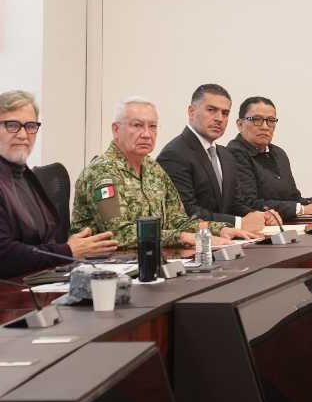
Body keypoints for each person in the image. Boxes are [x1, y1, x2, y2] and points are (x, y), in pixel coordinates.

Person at [72, 96, 258, 250]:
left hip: (154, 260)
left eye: (152, 127)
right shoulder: (102, 172)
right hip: (106, 269)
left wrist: (218, 229)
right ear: (116, 129)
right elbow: (118, 234)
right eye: (137, 125)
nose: (146, 134)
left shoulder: (154, 169)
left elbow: (177, 220)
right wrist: (184, 237)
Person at [0, 91, 118, 277]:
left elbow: (42, 241)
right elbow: (4, 255)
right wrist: (67, 251)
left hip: (41, 280)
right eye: (12, 125)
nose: (23, 134)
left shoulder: (23, 174)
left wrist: (72, 246)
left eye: (30, 126)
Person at [158, 84, 277, 232]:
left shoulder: (225, 154)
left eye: (225, 113)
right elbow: (186, 212)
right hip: (198, 246)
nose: (219, 118)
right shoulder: (174, 154)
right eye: (211, 110)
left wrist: (259, 215)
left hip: (229, 242)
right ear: (191, 111)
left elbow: (234, 203)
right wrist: (238, 222)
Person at [228, 97, 312, 220]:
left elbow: (293, 198)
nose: (265, 126)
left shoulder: (279, 153)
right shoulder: (234, 153)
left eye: (271, 120)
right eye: (257, 120)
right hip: (260, 228)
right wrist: (301, 209)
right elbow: (248, 203)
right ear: (240, 124)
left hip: (289, 224)